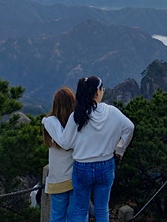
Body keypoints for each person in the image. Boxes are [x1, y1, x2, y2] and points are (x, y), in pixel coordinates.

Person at [42, 76, 135, 222]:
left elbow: (65, 143)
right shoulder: (112, 112)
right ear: (97, 91)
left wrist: (49, 122)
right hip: (106, 164)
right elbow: (129, 127)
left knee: (79, 210)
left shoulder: (78, 115)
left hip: (82, 167)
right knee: (102, 209)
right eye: (102, 88)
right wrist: (119, 149)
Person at [42, 87, 76, 222]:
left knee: (57, 216)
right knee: (77, 215)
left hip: (57, 178)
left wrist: (45, 120)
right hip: (75, 177)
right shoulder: (77, 124)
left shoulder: (50, 123)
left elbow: (62, 143)